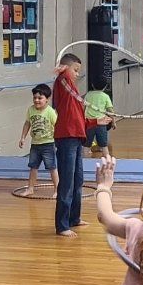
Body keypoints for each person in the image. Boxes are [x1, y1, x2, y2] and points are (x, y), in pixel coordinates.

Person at [53, 53, 88, 238]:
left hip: (76, 137)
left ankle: (74, 217)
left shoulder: (73, 91)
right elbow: (63, 76)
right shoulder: (63, 82)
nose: (76, 74)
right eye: (75, 70)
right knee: (66, 182)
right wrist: (64, 70)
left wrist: (97, 121)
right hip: (66, 137)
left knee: (78, 180)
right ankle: (62, 225)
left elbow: (79, 119)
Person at [18, 83, 59, 198]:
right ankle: (30, 188)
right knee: (33, 167)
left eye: (40, 98)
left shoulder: (50, 112)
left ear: (47, 99)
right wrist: (23, 138)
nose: (36, 100)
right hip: (35, 144)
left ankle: (57, 189)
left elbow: (57, 126)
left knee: (52, 167)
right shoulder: (31, 110)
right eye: (35, 98)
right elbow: (27, 124)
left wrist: (58, 142)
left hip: (48, 144)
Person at [83, 75, 116, 159]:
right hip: (101, 124)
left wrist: (83, 120)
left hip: (89, 123)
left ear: (92, 85)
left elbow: (83, 108)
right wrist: (113, 122)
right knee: (104, 145)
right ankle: (107, 162)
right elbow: (111, 111)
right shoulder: (105, 96)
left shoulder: (88, 95)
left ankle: (85, 163)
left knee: (87, 145)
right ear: (105, 87)